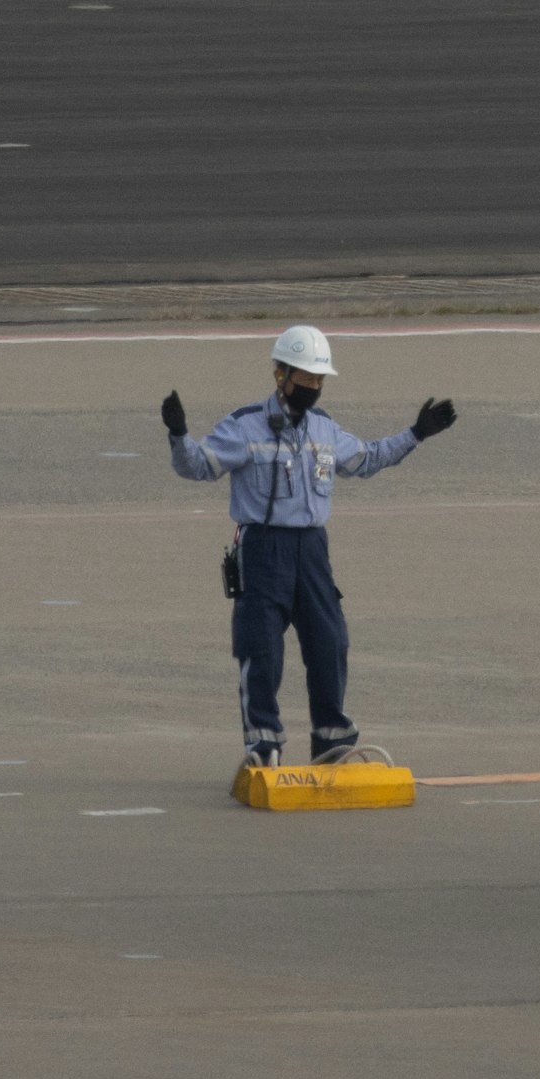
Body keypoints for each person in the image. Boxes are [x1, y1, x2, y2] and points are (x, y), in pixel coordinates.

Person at [161, 325, 459, 769]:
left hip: (313, 552)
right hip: (262, 550)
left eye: (320, 380)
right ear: (279, 374)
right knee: (260, 648)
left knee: (330, 642)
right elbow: (199, 466)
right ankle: (263, 747)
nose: (313, 388)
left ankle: (332, 743)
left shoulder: (325, 430)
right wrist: (179, 435)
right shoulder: (244, 426)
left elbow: (369, 459)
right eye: (306, 378)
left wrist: (416, 434)